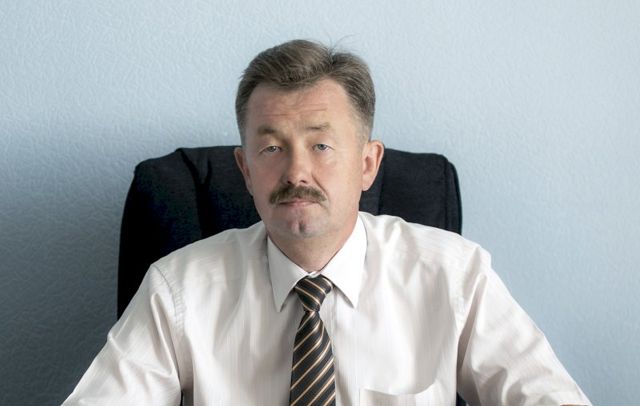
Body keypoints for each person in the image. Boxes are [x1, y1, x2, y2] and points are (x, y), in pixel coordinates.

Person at [63, 39, 590, 405]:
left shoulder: (454, 275)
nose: (297, 172)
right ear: (245, 171)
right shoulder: (178, 289)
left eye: (321, 145)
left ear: (367, 164)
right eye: (272, 148)